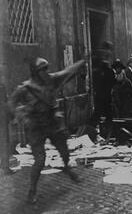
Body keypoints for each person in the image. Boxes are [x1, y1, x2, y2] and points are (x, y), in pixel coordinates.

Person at [8, 57, 87, 204]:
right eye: (42, 69)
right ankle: (32, 190)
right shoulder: (25, 88)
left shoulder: (52, 80)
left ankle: (67, 167)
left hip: (52, 123)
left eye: (47, 68)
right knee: (40, 160)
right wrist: (21, 115)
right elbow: (11, 103)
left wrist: (83, 61)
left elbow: (67, 71)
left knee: (64, 150)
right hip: (35, 126)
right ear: (35, 72)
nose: (46, 72)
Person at [90, 49, 116, 127]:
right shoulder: (110, 71)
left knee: (98, 112)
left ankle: (93, 126)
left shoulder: (96, 72)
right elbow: (113, 82)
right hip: (107, 94)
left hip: (99, 94)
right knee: (108, 112)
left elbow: (94, 83)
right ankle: (108, 128)